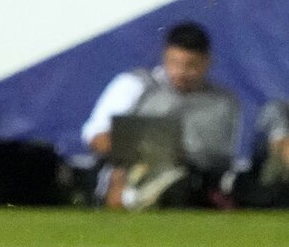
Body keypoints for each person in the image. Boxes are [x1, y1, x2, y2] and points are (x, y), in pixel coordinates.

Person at [82, 22, 246, 210]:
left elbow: (221, 157)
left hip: (196, 179)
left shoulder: (224, 102)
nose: (182, 72)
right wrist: (138, 153)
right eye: (174, 62)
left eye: (191, 65)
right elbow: (96, 136)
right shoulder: (135, 85)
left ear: (207, 62)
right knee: (120, 174)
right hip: (134, 170)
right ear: (164, 57)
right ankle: (135, 198)